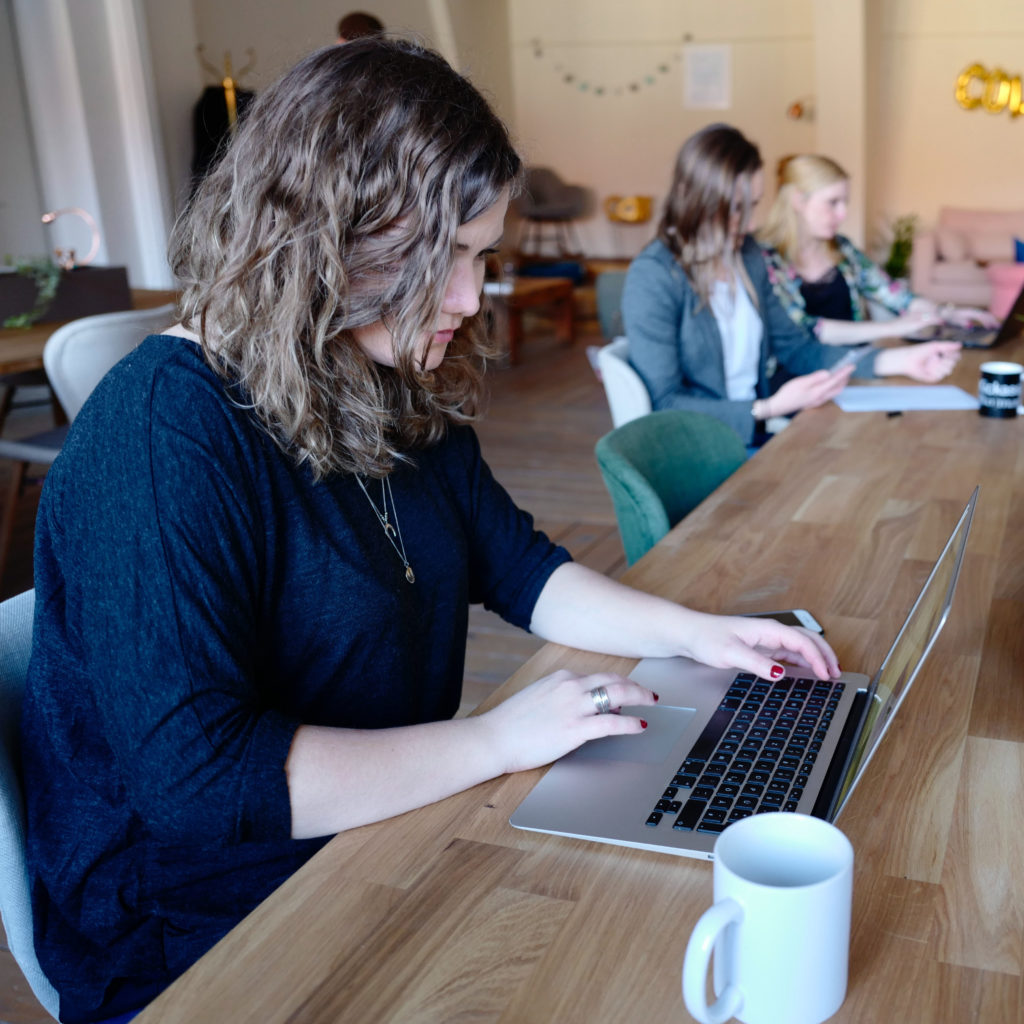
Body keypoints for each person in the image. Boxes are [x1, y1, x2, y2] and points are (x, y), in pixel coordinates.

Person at [21, 43, 839, 1024]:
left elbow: (516, 562)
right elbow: (198, 783)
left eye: (479, 256)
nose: (468, 297)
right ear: (326, 237)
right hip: (206, 942)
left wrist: (696, 631)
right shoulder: (161, 431)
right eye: (442, 257)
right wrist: (494, 738)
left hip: (380, 837)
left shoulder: (378, 374)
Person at [622, 124, 962, 448]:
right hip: (704, 450)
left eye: (753, 205)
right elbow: (663, 403)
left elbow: (799, 349)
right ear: (700, 200)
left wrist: (901, 360)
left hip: (753, 438)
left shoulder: (747, 256)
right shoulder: (653, 277)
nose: (752, 222)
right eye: (738, 208)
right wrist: (767, 408)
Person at [757, 153, 996, 344]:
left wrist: (947, 315)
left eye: (845, 203)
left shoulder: (842, 249)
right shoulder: (765, 258)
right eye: (832, 203)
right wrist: (892, 328)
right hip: (798, 381)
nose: (843, 214)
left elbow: (894, 295)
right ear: (799, 200)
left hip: (856, 365)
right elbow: (805, 328)